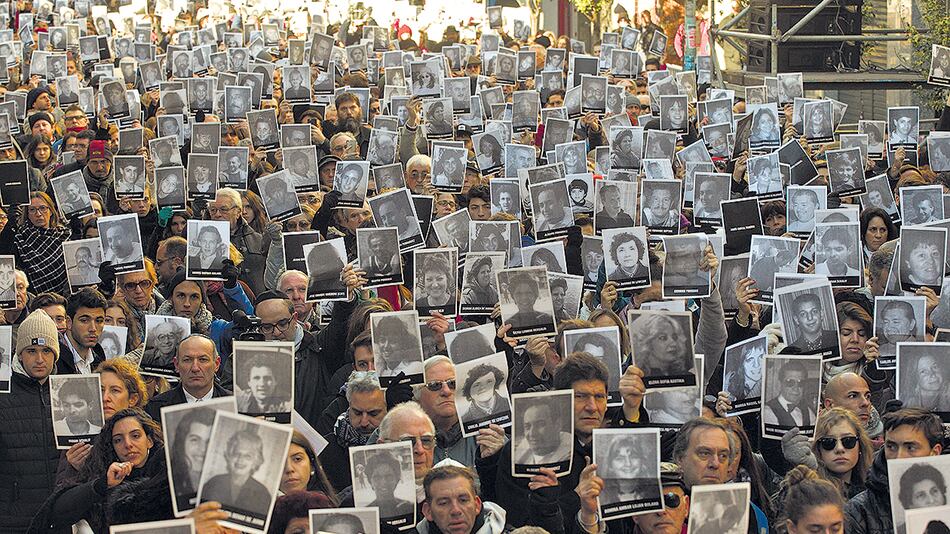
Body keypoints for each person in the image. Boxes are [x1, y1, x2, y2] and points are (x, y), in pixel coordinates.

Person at [0, 310, 62, 533]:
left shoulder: (69, 392)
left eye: (46, 350)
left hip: (59, 517)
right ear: (19, 355)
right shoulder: (2, 396)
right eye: (31, 351)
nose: (39, 359)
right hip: (12, 520)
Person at [846, 408, 944, 534]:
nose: (899, 457)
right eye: (891, 446)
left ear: (935, 452)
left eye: (910, 447)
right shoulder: (859, 511)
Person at [144, 334, 232, 421]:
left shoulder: (235, 405)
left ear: (216, 364)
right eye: (187, 360)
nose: (195, 368)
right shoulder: (156, 408)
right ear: (176, 365)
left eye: (203, 360)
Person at [201, 429, 271, 516]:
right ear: (229, 456)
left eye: (247, 456)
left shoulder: (262, 494)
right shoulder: (213, 483)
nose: (240, 459)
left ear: (255, 462)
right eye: (236, 454)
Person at [762, 360, 816, 428]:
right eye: (790, 382)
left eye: (800, 383)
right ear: (780, 384)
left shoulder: (808, 411)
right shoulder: (767, 412)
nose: (795, 388)